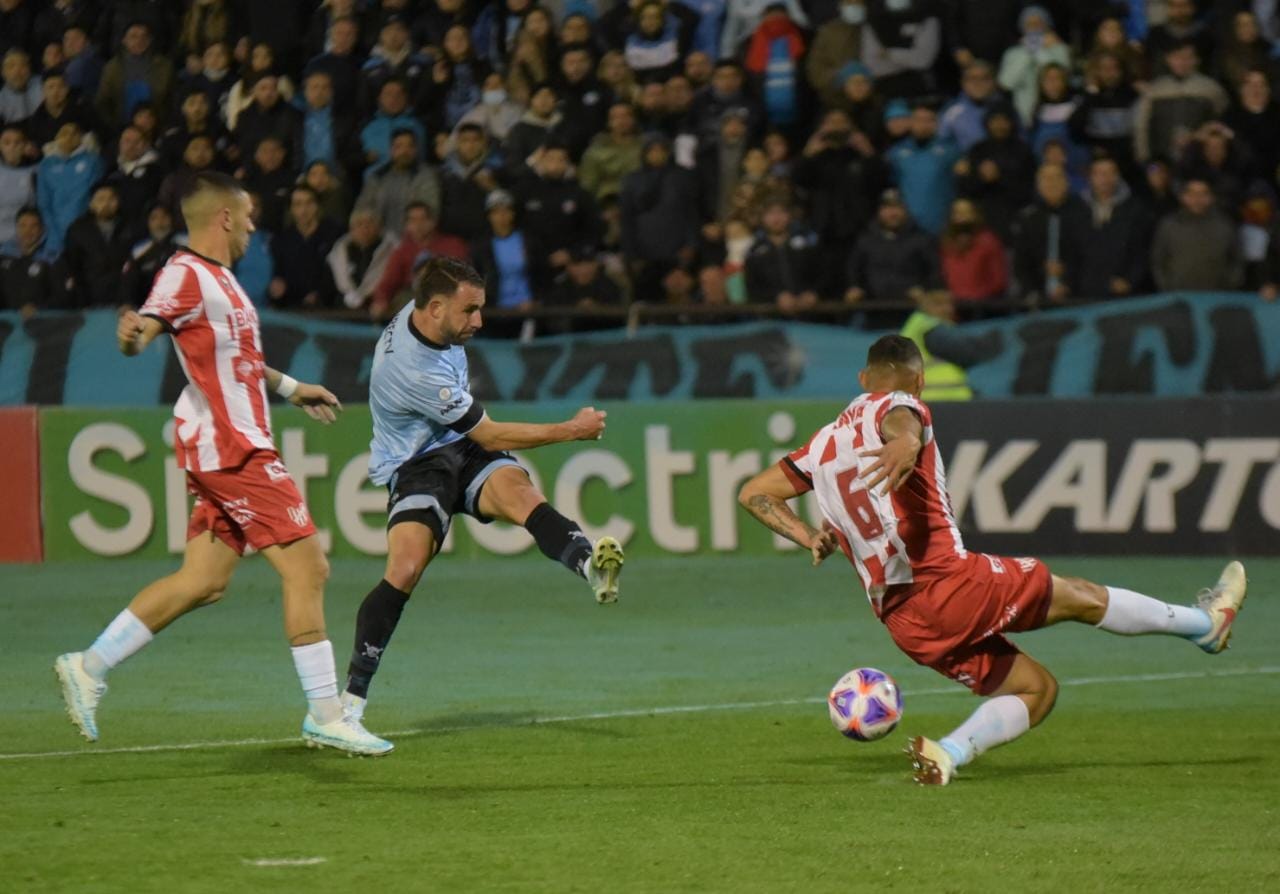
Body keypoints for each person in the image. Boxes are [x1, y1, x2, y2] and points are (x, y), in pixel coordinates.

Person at [737, 334, 1247, 786]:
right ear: (919, 380)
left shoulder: (821, 445)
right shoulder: (897, 403)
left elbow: (755, 493)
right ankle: (1205, 625)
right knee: (1081, 597)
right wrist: (907, 441)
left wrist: (805, 535)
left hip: (903, 621)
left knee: (1037, 689)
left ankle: (949, 753)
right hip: (947, 582)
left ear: (860, 377)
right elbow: (900, 420)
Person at [54, 172, 391, 756]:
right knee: (308, 568)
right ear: (226, 218)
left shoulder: (225, 282)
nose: (256, 226)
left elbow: (237, 360)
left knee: (204, 581)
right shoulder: (184, 273)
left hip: (234, 440)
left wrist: (291, 387)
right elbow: (145, 333)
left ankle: (87, 664)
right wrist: (131, 336)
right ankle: (325, 713)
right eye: (251, 215)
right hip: (232, 448)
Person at [339, 256, 626, 739]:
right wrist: (570, 430)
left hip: (459, 443)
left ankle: (588, 564)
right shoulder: (414, 369)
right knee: (405, 569)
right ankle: (349, 706)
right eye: (470, 310)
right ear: (433, 308)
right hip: (416, 465)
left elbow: (479, 438)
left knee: (520, 493)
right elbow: (490, 435)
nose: (479, 321)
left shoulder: (429, 314)